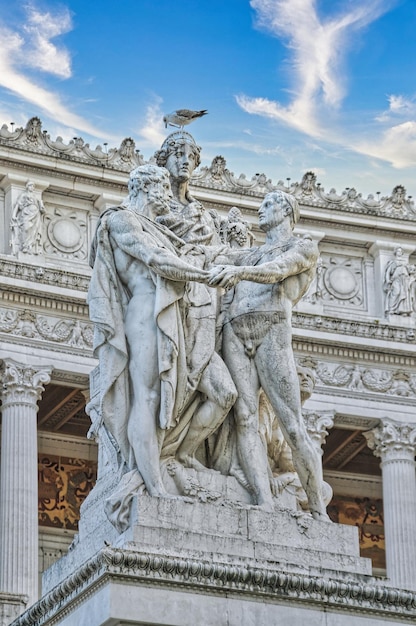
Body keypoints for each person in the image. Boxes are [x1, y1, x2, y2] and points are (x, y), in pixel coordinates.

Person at [88, 164, 212, 498]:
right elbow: (154, 258)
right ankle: (154, 486)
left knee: (162, 401)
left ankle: (154, 472)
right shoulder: (121, 219)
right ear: (147, 186)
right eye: (163, 188)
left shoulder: (156, 228)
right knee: (147, 396)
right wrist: (204, 277)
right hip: (145, 313)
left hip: (168, 315)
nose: (170, 196)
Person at [208, 190, 329, 520]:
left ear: (287, 210)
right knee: (244, 417)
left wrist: (239, 273)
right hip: (235, 332)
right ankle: (263, 500)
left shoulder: (302, 246)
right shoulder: (249, 254)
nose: (260, 211)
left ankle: (318, 509)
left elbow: (279, 270)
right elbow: (208, 257)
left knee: (292, 426)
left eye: (267, 205)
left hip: (272, 330)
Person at [154, 132, 237, 469]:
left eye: (190, 154)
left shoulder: (204, 216)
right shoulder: (150, 207)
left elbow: (221, 258)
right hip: (172, 310)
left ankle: (183, 453)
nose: (184, 160)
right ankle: (160, 453)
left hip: (205, 311)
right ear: (163, 160)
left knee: (227, 394)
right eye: (176, 153)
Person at [10, 180, 45, 254]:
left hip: (35, 215)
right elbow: (18, 205)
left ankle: (30, 247)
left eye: (33, 186)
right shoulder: (24, 195)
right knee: (26, 228)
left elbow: (42, 208)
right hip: (26, 214)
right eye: (31, 185)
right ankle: (24, 246)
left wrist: (42, 207)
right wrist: (14, 215)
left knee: (34, 231)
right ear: (27, 186)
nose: (32, 187)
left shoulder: (35, 197)